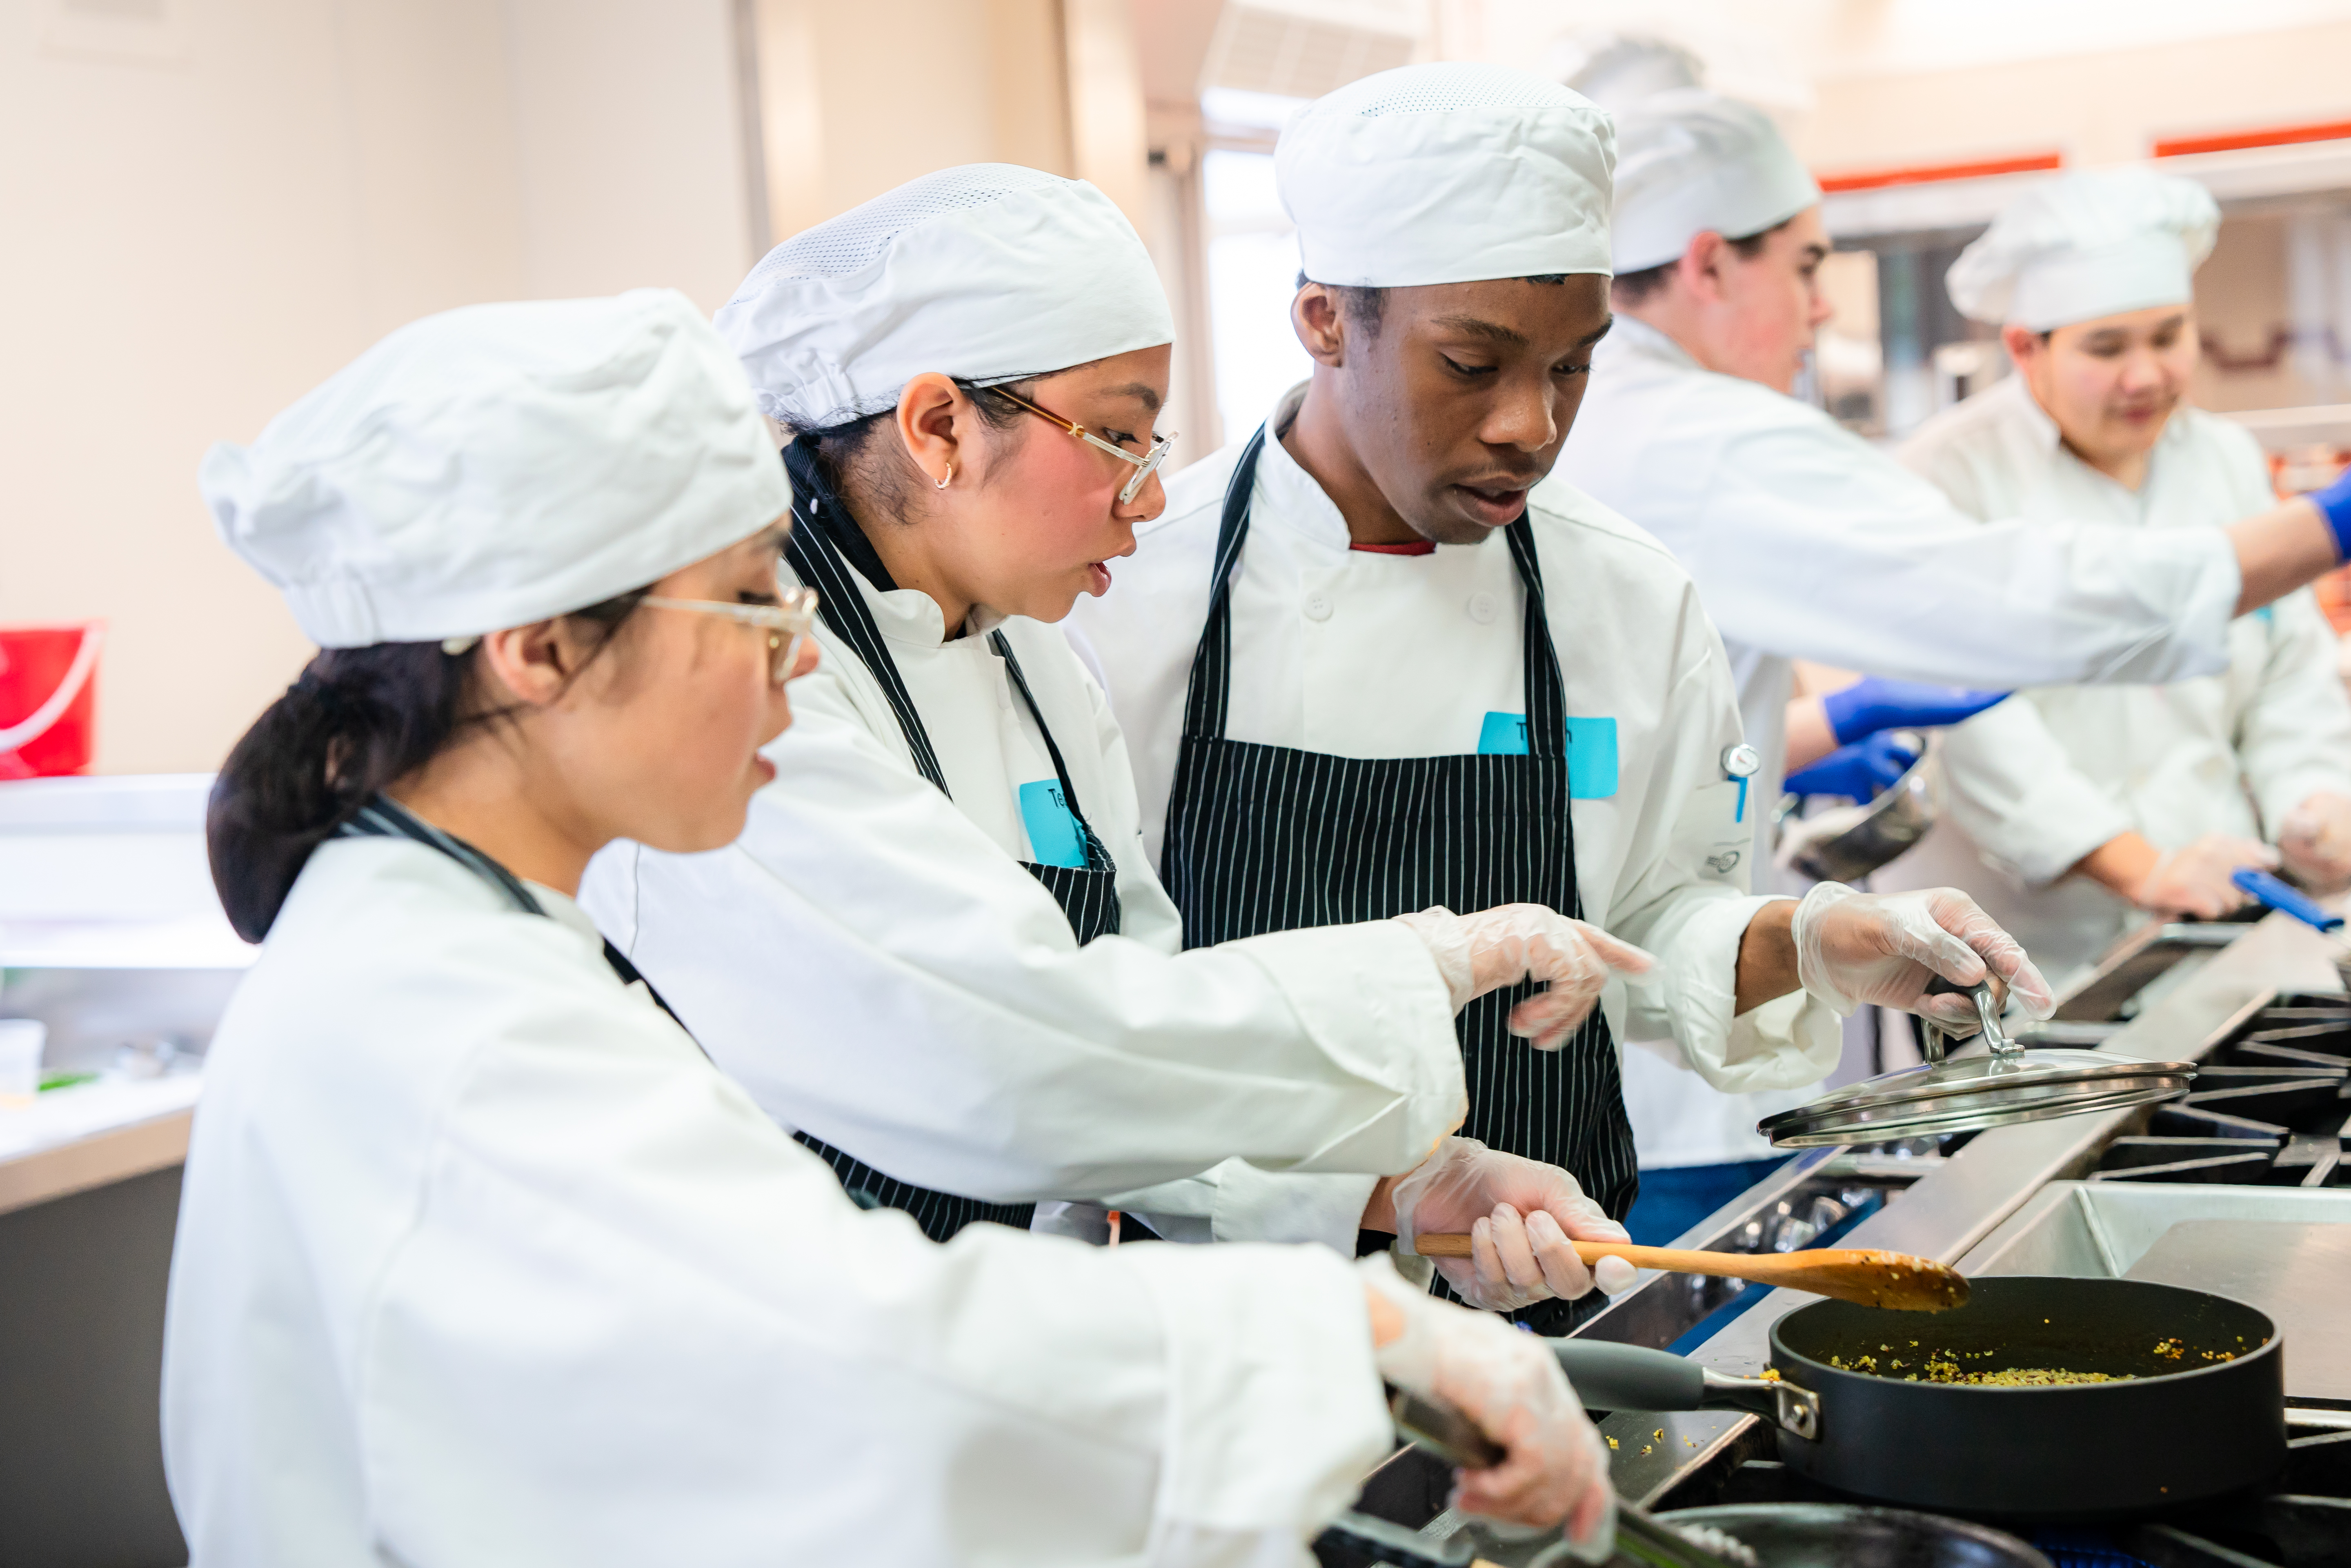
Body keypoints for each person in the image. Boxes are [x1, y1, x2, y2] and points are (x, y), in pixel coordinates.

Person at [163, 290, 1619, 1566]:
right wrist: (1347, 1342)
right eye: (744, 602)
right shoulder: (454, 1018)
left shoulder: (445, 933)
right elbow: (857, 1369)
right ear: (540, 651)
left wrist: (1367, 1201)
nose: (798, 653)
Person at [580, 165, 1641, 1316]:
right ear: (939, 425)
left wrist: (1395, 1189)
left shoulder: (1033, 661)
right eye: (1119, 437)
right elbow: (1005, 1062)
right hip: (757, 1347)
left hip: (972, 1341)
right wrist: (1428, 968)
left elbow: (1131, 1038)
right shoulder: (750, 684)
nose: (1147, 498)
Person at [1070, 63, 2052, 1295]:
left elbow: (1644, 929)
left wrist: (1808, 942)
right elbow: (1082, 1017)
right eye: (1472, 366)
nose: (1530, 424)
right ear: (1326, 321)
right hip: (1209, 1316)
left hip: (1557, 1283)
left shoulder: (1624, 595)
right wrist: (1377, 1194)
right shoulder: (1124, 591)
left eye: (1572, 366)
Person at [1553, 89, 2351, 1216]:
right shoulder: (1707, 436)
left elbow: (1613, 731)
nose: (1824, 306)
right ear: (1710, 265)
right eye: (1808, 263)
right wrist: (2327, 526)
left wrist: (1812, 733)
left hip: (1675, 999)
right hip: (1691, 1034)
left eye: (2166, 338)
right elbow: (2015, 613)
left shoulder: (1639, 416)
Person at [1872, 170, 2351, 979]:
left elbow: (2286, 671)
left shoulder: (2224, 459)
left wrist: (2311, 801)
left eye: (2168, 337)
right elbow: (1973, 725)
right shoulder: (1943, 476)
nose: (2147, 376)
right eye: (2107, 348)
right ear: (2025, 348)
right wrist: (2139, 867)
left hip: (2223, 920)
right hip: (2026, 956)